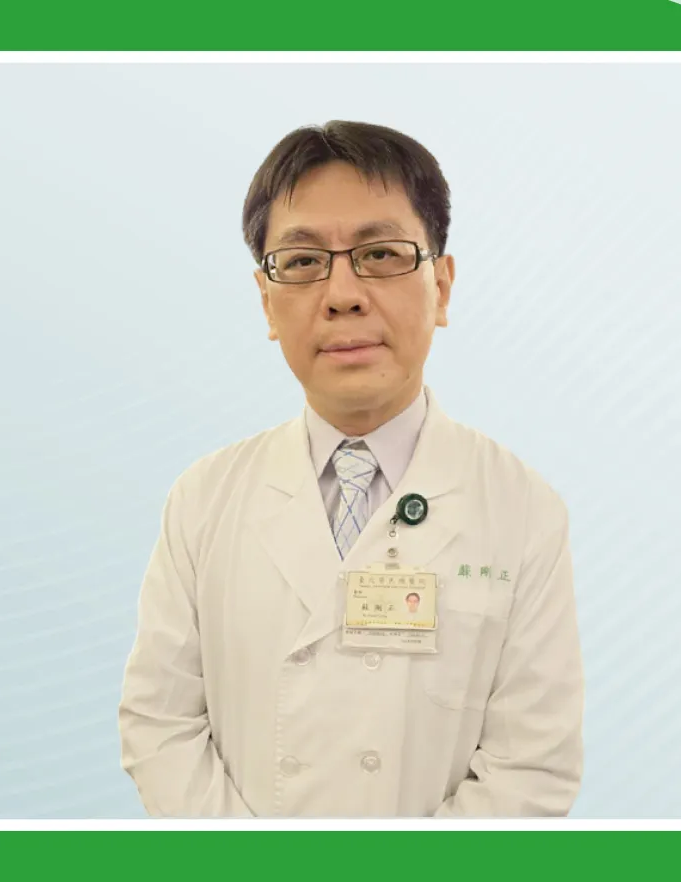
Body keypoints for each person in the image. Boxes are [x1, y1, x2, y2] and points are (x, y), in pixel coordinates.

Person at [117, 120, 583, 817]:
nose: (342, 294)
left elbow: (532, 764)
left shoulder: (522, 508)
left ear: (442, 286)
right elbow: (160, 724)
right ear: (267, 301)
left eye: (381, 254)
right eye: (304, 261)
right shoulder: (204, 498)